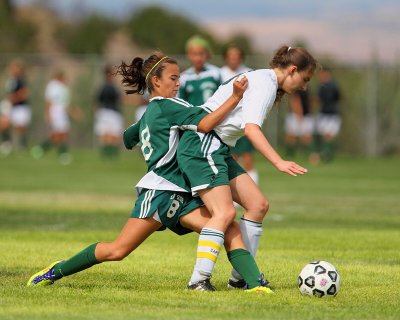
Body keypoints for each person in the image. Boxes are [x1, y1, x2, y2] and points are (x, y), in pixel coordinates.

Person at [27, 52, 272, 294]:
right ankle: (56, 270)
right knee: (117, 251)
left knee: (227, 225)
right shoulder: (170, 105)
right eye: (174, 78)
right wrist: (235, 97)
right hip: (161, 192)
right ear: (156, 80)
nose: (179, 83)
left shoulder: (149, 113)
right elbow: (207, 122)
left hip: (181, 192)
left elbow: (127, 137)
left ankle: (254, 285)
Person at [177, 45, 317, 289]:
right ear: (292, 70)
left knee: (258, 205)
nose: (304, 86)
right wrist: (278, 161)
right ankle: (198, 280)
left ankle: (240, 279)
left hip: (216, 146)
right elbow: (251, 130)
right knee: (224, 214)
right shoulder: (265, 84)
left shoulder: (263, 79)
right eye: (304, 79)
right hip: (202, 145)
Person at [220, 44, 259, 185]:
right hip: (225, 122)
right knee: (232, 158)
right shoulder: (220, 74)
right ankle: (235, 196)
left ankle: (253, 190)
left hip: (243, 121)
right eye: (231, 56)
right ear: (226, 58)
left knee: (248, 158)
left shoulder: (248, 73)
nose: (234, 59)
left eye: (236, 56)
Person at [30, 70, 81, 165]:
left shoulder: (64, 88)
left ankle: (41, 149)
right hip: (55, 112)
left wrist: (74, 112)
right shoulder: (52, 86)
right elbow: (49, 101)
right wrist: (48, 114)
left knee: (60, 134)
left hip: (62, 113)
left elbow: (66, 104)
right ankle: (62, 154)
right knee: (60, 134)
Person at [178, 35, 221, 106]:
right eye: (194, 54)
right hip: (193, 116)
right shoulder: (184, 77)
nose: (198, 58)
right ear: (188, 55)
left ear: (207, 54)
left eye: (201, 54)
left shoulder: (216, 73)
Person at [94, 65, 123, 159]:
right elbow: (119, 98)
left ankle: (106, 154)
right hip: (112, 112)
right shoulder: (112, 87)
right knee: (112, 134)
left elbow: (98, 100)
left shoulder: (102, 87)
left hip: (103, 111)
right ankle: (110, 154)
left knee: (106, 134)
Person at [313, 67, 341, 163]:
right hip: (324, 114)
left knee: (328, 135)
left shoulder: (332, 86)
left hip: (332, 114)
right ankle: (325, 154)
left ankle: (326, 154)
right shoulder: (323, 86)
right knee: (325, 135)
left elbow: (337, 98)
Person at [4, 59, 31, 152]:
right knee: (4, 123)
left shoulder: (21, 80)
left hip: (21, 107)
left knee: (21, 127)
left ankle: (22, 146)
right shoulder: (11, 81)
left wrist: (15, 98)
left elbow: (24, 93)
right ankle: (6, 143)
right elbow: (9, 93)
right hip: (12, 106)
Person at [284, 88, 315, 162]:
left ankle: (311, 156)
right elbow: (295, 101)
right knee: (291, 137)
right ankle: (289, 155)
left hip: (306, 116)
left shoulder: (307, 88)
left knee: (307, 137)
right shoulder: (298, 88)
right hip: (296, 115)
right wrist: (299, 115)